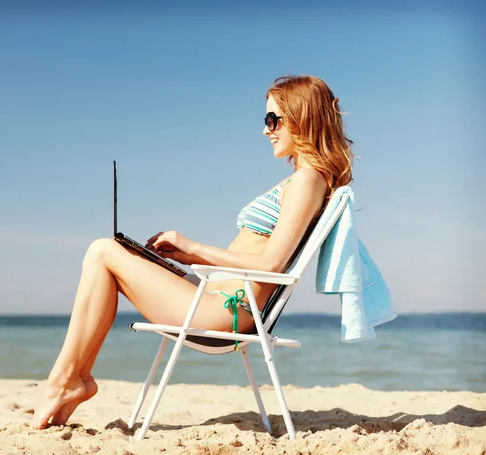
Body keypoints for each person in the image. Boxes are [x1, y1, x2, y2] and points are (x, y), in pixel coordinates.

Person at [32, 75, 354, 429]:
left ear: (301, 116)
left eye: (272, 119)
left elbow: (270, 264)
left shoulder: (308, 180)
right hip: (215, 299)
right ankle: (71, 379)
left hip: (224, 313)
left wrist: (192, 247)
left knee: (102, 251)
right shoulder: (305, 180)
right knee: (110, 254)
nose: (267, 130)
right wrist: (188, 259)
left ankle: (67, 380)